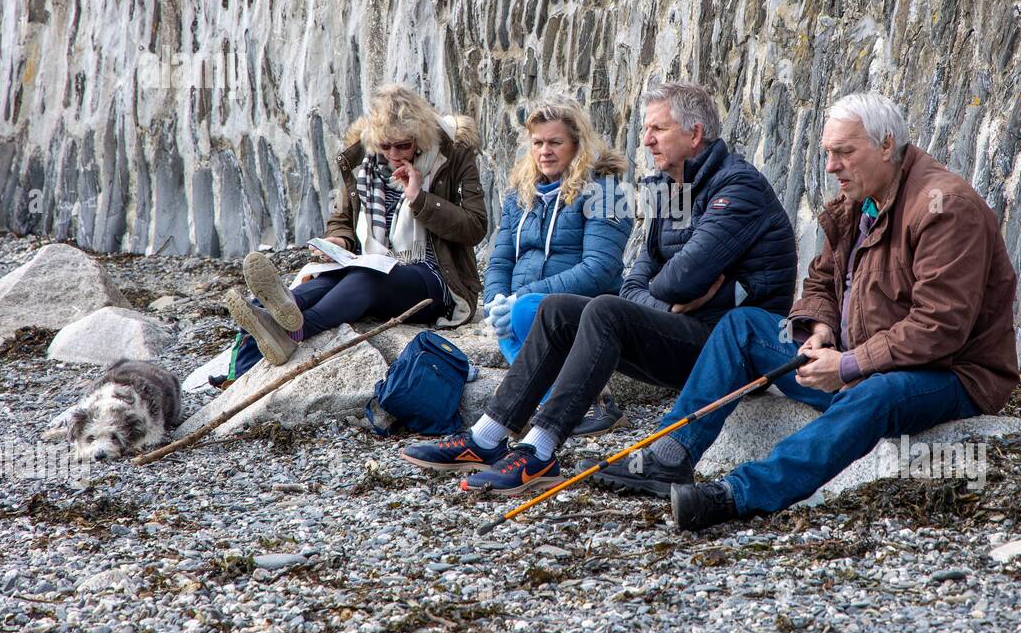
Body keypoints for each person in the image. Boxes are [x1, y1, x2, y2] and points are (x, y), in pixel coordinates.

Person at [594, 91, 1019, 530]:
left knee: (873, 394)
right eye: (827, 153)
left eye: (844, 153)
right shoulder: (861, 199)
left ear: (887, 145)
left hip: (952, 375)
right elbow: (820, 282)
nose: (832, 166)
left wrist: (849, 365)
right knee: (743, 325)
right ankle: (672, 454)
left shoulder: (944, 207)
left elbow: (939, 328)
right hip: (858, 355)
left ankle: (739, 493)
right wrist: (820, 329)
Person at [400, 81, 797, 494]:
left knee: (605, 312)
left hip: (730, 348)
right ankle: (485, 435)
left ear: (694, 134)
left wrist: (673, 291)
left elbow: (677, 278)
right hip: (684, 330)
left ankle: (539, 450)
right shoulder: (670, 188)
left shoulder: (736, 187)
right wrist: (670, 300)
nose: (646, 140)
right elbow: (639, 282)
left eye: (657, 130)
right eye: (646, 129)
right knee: (557, 310)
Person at [219, 84, 487, 385]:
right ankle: (238, 374)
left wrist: (419, 199)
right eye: (385, 146)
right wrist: (338, 240)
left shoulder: (452, 157)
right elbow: (343, 219)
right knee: (288, 296)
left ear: (421, 138)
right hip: (369, 262)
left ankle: (297, 330)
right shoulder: (364, 161)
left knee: (365, 279)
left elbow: (475, 227)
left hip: (435, 278)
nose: (393, 154)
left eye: (403, 146)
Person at [478, 95, 633, 433]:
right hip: (526, 305)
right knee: (506, 319)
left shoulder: (605, 193)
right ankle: (559, 408)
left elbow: (600, 268)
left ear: (577, 145)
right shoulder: (519, 196)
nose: (544, 150)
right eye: (538, 142)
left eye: (554, 142)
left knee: (523, 312)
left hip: (588, 310)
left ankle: (597, 403)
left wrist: (523, 298)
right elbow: (501, 259)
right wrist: (495, 300)